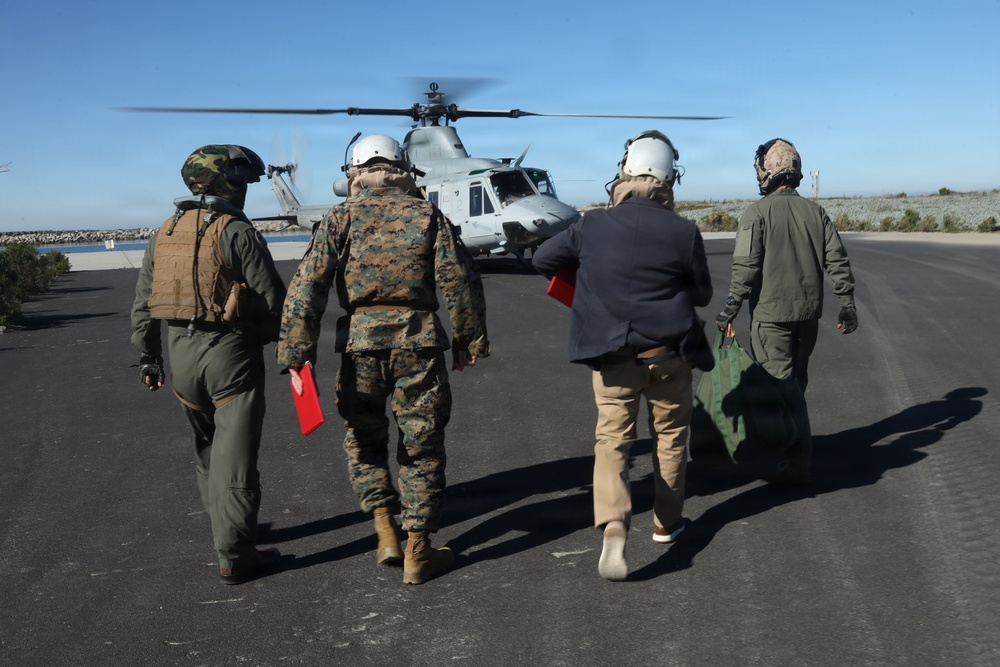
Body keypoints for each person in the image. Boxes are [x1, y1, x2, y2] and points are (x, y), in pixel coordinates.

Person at [276, 134, 489, 585]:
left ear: (354, 171)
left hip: (360, 348)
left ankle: (384, 527)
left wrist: (297, 353)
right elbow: (459, 281)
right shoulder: (427, 214)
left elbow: (306, 287)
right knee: (422, 445)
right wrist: (468, 341)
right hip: (418, 345)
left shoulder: (339, 218)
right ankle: (418, 551)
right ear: (403, 167)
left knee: (364, 438)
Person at [532, 131, 714, 582]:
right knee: (671, 438)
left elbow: (542, 260)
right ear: (669, 177)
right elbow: (702, 294)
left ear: (624, 172)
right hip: (669, 356)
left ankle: (614, 524)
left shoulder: (592, 225)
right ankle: (666, 523)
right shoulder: (684, 231)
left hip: (613, 357)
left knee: (612, 441)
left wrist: (590, 276)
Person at [131, 144, 288, 585]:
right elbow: (273, 299)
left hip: (180, 357)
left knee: (207, 451)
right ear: (227, 182)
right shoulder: (236, 231)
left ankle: (226, 530)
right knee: (235, 459)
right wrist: (292, 347)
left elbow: (143, 303)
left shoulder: (164, 232)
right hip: (230, 357)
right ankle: (235, 556)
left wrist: (149, 357)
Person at [716, 138, 858, 484]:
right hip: (808, 317)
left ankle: (798, 462)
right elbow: (837, 260)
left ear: (767, 171)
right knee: (796, 383)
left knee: (783, 389)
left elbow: (746, 266)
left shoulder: (756, 214)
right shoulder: (816, 212)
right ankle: (790, 445)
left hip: (771, 319)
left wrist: (731, 306)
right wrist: (847, 303)